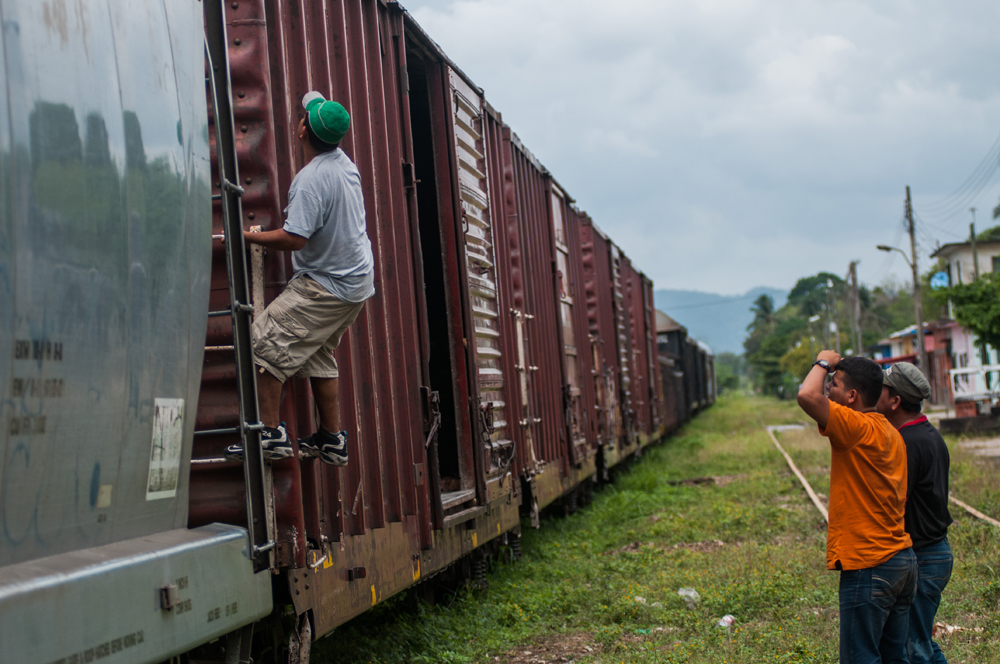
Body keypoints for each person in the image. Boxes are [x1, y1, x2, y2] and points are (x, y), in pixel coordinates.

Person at [225, 91, 374, 466]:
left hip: (328, 284)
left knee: (261, 341)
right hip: (354, 285)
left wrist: (248, 236)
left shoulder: (311, 179)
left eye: (304, 115)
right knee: (315, 352)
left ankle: (270, 435)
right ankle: (331, 439)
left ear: (303, 130)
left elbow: (295, 238)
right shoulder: (344, 164)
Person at [797, 351, 917, 664]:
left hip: (869, 564)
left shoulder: (855, 426)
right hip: (901, 562)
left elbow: (807, 395)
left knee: (860, 657)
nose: (827, 390)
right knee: (896, 658)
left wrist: (823, 361)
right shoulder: (892, 433)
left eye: (833, 385)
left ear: (851, 396)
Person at [876, 362, 953, 664]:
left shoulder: (906, 442)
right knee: (919, 640)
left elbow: (896, 502)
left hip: (924, 557)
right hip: (934, 553)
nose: (876, 395)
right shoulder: (927, 433)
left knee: (912, 646)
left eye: (881, 390)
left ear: (894, 401)